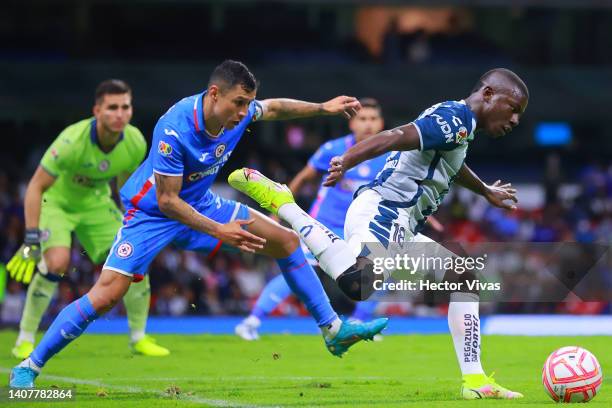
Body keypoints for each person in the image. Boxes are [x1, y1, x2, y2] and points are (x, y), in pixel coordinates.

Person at [9, 60, 387, 389]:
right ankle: (30, 365)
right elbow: (168, 200)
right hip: (152, 213)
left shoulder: (240, 113)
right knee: (107, 294)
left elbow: (273, 109)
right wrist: (218, 230)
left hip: (202, 202)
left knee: (286, 241)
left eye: (246, 103)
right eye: (238, 103)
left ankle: (333, 331)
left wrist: (322, 107)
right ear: (213, 94)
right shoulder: (175, 129)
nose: (243, 112)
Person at [229, 68, 528, 399]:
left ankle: (475, 382)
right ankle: (285, 205)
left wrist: (484, 190)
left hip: (401, 221)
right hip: (384, 209)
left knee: (462, 277)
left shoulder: (462, 128)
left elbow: (450, 164)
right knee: (359, 283)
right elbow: (398, 135)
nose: (515, 120)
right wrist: (348, 159)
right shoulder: (456, 117)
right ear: (487, 94)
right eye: (513, 108)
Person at [7, 79, 169, 359]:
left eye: (125, 107)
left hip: (95, 203)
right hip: (56, 202)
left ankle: (138, 338)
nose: (120, 114)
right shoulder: (71, 142)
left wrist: (135, 225)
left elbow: (126, 186)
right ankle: (24, 337)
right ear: (97, 110)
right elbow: (35, 187)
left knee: (134, 256)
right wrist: (31, 238)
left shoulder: (134, 142)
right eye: (112, 107)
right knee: (57, 263)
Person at [236, 98, 394, 340]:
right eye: (363, 119)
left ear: (381, 122)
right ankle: (252, 321)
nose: (368, 125)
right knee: (299, 269)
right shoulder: (333, 149)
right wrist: (278, 211)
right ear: (352, 123)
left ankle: (358, 324)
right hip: (325, 224)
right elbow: (303, 178)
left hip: (361, 228)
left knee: (384, 270)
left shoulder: (389, 156)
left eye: (373, 119)